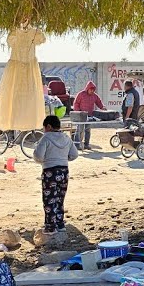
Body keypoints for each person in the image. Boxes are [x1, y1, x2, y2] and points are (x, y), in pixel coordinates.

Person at [32, 114, 78, 242]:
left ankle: (50, 227)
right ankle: (60, 223)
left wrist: (45, 160)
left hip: (50, 172)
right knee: (59, 198)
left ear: (49, 126)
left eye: (44, 127)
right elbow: (74, 154)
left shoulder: (45, 138)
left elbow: (38, 156)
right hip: (64, 171)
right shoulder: (66, 138)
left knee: (49, 200)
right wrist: (63, 159)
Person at [72, 81, 105, 149]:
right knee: (79, 130)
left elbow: (98, 102)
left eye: (93, 90)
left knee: (88, 130)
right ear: (87, 88)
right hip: (81, 115)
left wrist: (102, 107)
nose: (92, 91)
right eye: (91, 89)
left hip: (90, 115)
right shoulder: (81, 94)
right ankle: (77, 145)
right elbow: (76, 103)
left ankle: (86, 144)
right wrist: (78, 112)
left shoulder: (95, 96)